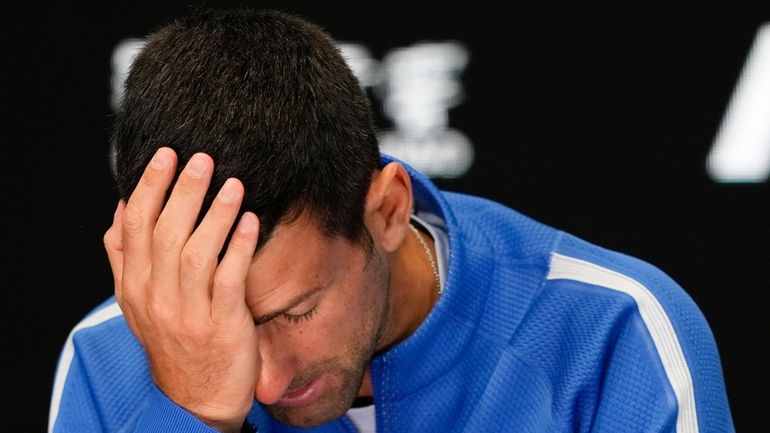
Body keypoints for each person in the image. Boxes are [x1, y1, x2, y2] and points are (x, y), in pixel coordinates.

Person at [49, 8, 735, 433]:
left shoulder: (612, 335)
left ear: (386, 209)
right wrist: (191, 412)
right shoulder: (108, 354)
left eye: (294, 311)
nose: (262, 380)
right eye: (215, 318)